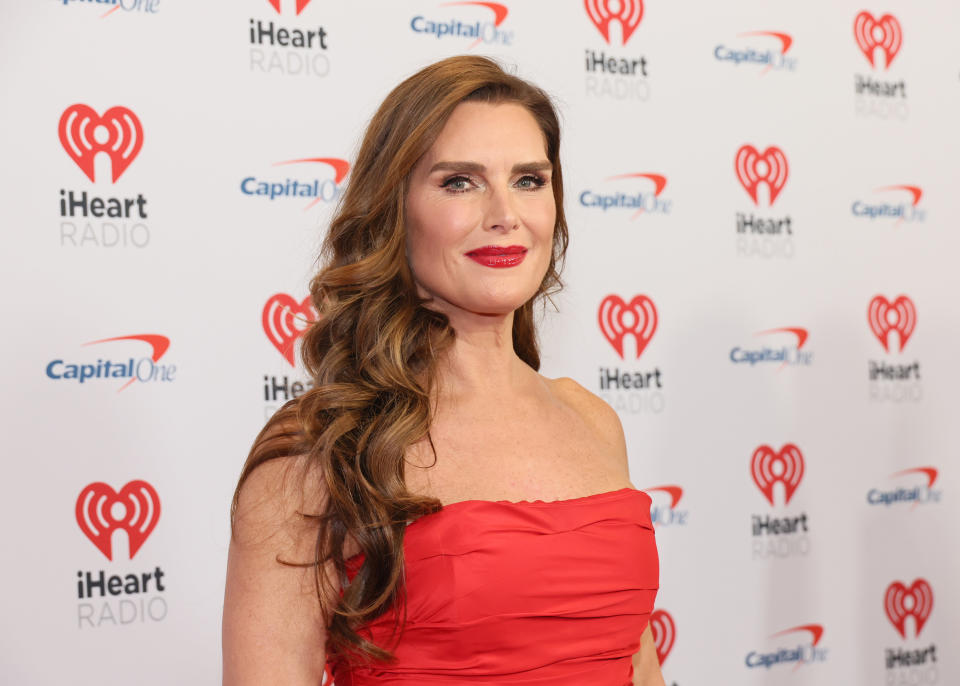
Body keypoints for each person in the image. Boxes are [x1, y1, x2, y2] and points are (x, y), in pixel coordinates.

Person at [223, 55, 663, 685]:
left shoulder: (593, 420)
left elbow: (636, 665)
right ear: (393, 211)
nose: (504, 213)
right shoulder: (320, 454)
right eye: (460, 182)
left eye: (530, 180)